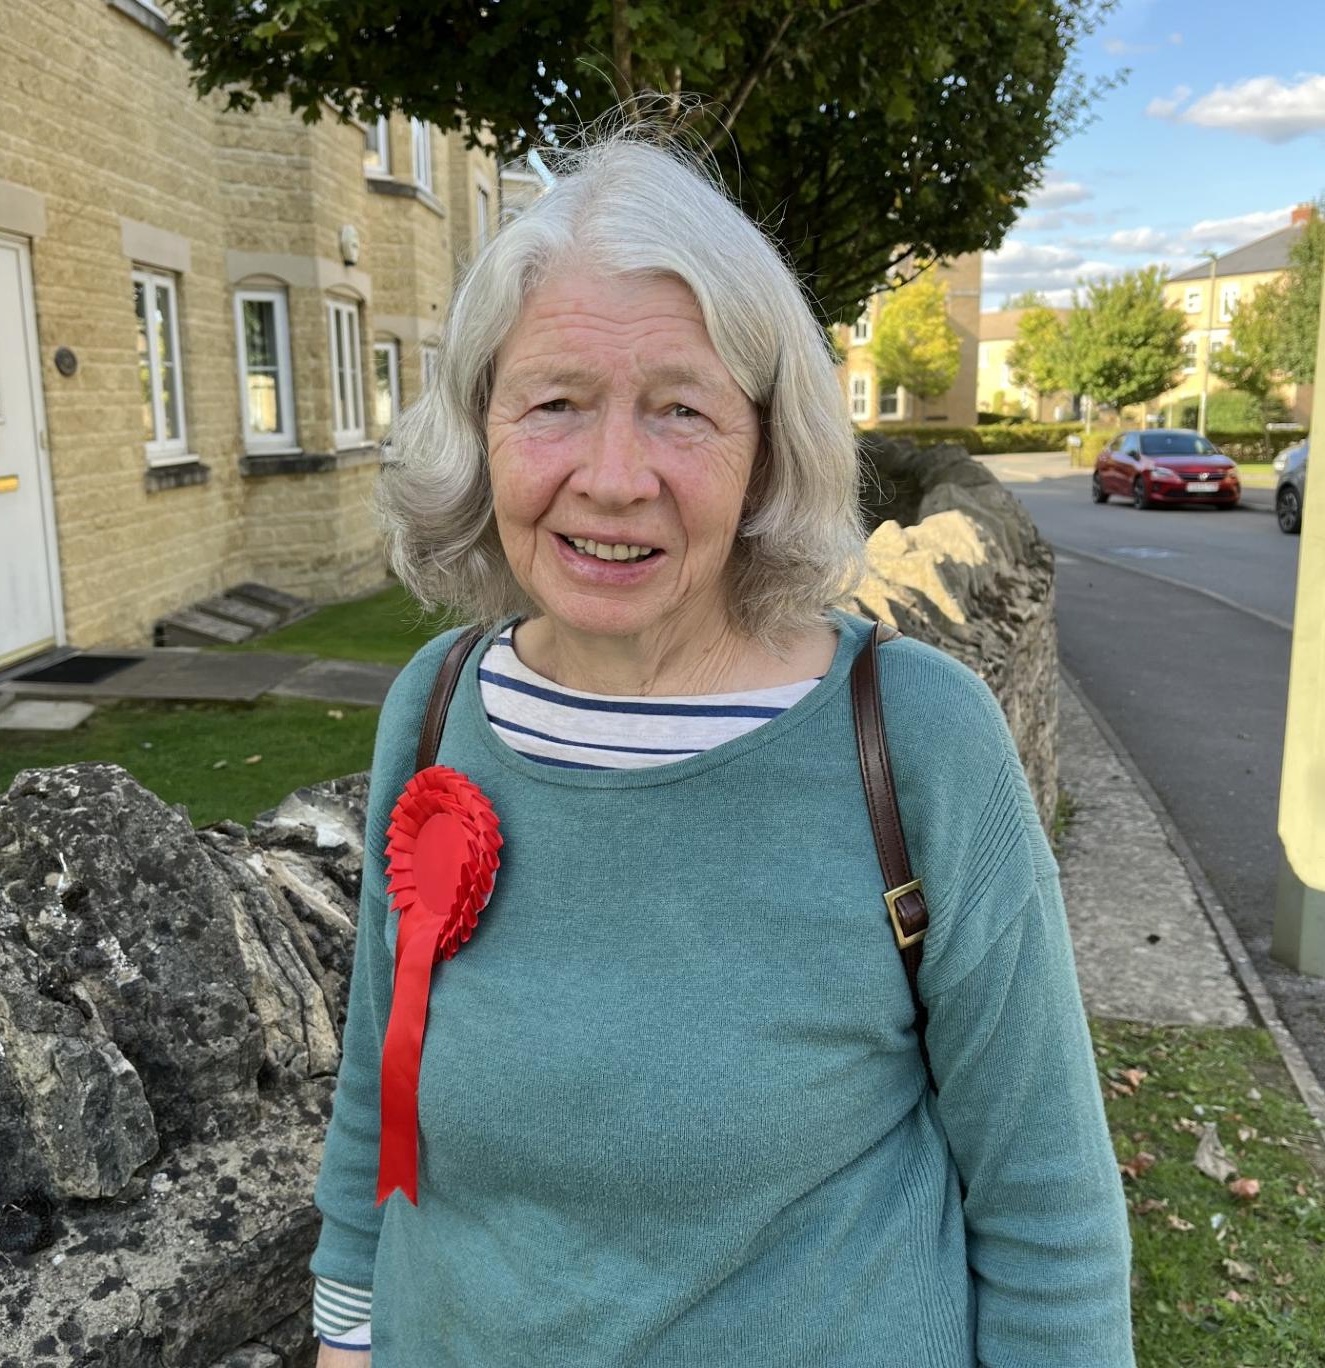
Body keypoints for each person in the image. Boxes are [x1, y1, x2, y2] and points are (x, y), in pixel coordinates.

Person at [308, 126, 1134, 1367]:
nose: (613, 476)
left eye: (681, 411)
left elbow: (1048, 1212)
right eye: (556, 405)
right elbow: (382, 1087)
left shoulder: (913, 743)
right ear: (483, 427)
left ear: (763, 452)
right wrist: (346, 1332)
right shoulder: (435, 707)